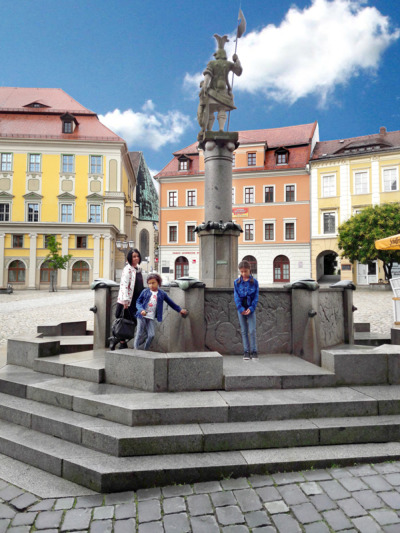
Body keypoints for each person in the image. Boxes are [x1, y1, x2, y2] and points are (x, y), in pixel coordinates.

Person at [134, 273, 188, 351]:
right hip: (141, 316)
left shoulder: (162, 294)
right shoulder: (145, 291)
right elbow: (138, 302)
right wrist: (141, 310)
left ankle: (145, 349)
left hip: (151, 317)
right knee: (139, 333)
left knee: (151, 335)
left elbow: (171, 303)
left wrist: (179, 310)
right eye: (149, 283)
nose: (151, 285)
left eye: (153, 283)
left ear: (158, 283)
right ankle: (136, 350)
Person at [109, 248, 144, 350]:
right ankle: (121, 342)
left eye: (137, 256)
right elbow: (124, 285)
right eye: (134, 256)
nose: (136, 258)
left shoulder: (138, 269)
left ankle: (118, 340)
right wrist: (125, 301)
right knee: (124, 322)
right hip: (127, 301)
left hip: (135, 301)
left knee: (132, 323)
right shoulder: (127, 269)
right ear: (129, 258)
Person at [233, 260, 259, 361]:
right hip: (241, 309)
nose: (243, 273)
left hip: (250, 309)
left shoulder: (255, 282)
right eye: (242, 271)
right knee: (244, 331)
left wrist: (251, 308)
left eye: (245, 271)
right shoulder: (236, 282)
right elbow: (236, 296)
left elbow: (256, 297)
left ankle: (254, 351)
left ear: (249, 270)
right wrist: (240, 308)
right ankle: (246, 352)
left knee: (252, 330)